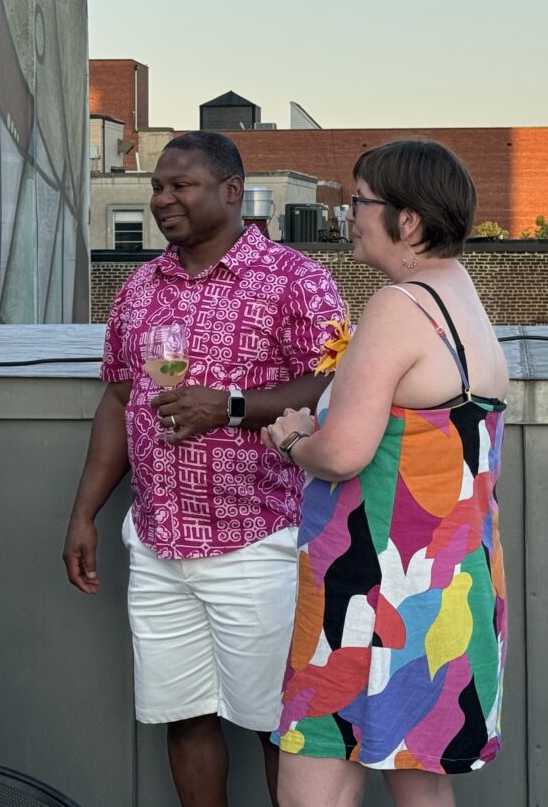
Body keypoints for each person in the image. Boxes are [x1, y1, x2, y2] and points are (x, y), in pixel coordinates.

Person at [63, 131, 347, 807]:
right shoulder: (138, 286)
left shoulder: (295, 280)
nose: (162, 199)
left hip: (262, 539)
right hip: (159, 540)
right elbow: (119, 397)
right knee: (182, 714)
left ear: (230, 191)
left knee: (281, 727)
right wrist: (85, 512)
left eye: (180, 185)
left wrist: (233, 407)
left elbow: (335, 384)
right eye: (157, 186)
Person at [262, 139, 509, 807]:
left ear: (408, 221)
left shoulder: (400, 307)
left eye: (360, 200)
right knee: (418, 784)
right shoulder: (465, 307)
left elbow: (344, 453)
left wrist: (293, 439)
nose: (350, 214)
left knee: (314, 782)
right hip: (445, 586)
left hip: (370, 590)